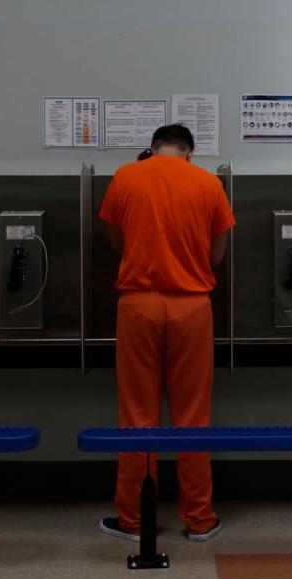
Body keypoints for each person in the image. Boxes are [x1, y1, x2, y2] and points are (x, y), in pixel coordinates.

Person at [98, 124, 235, 543]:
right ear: (190, 153)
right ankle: (199, 518)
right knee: (193, 415)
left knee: (137, 415)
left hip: (137, 305)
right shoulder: (209, 184)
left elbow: (115, 241)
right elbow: (216, 256)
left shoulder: (125, 177)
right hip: (192, 307)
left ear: (152, 149)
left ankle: (134, 520)